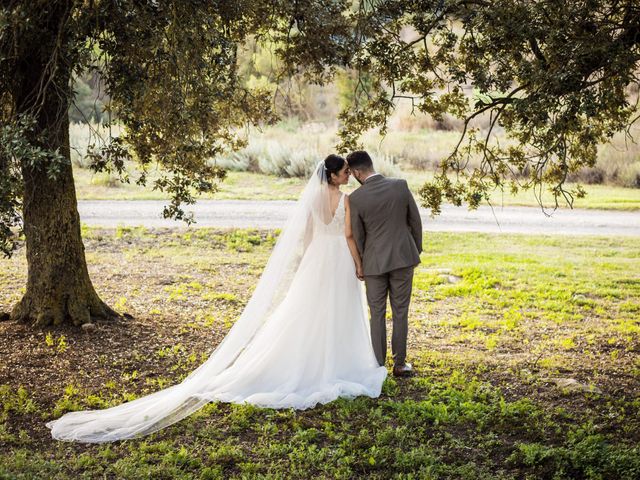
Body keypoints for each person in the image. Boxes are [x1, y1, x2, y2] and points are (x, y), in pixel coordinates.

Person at [46, 155, 387, 443]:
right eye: (344, 172)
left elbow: (307, 238)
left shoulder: (312, 198)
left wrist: (303, 267)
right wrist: (358, 263)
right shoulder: (346, 200)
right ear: (333, 175)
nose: (348, 176)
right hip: (339, 260)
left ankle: (315, 358)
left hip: (316, 262)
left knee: (308, 312)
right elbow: (348, 234)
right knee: (337, 312)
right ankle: (333, 362)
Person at [346, 150, 422, 377]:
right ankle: (400, 364)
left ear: (358, 172)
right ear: (371, 165)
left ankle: (378, 365)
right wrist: (413, 251)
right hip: (403, 259)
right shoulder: (400, 185)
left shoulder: (356, 198)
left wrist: (361, 263)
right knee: (401, 311)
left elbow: (358, 236)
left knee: (376, 313)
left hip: (373, 263)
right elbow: (415, 221)